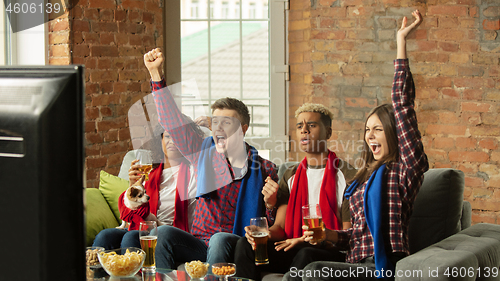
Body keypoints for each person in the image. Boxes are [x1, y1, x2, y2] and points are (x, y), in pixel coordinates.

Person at [284, 10, 429, 281]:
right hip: (355, 261)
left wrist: (401, 43)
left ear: (394, 132)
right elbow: (355, 237)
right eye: (366, 130)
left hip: (384, 263)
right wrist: (328, 235)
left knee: (314, 270)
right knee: (306, 262)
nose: (369, 136)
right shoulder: (364, 179)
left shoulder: (407, 168)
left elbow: (403, 106)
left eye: (377, 130)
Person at [144, 48, 279, 269]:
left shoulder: (265, 169)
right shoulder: (202, 153)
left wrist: (270, 204)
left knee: (219, 237)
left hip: (235, 242)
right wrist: (156, 75)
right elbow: (173, 122)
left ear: (243, 129)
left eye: (227, 122)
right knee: (164, 233)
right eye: (215, 122)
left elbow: (269, 226)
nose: (219, 128)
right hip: (198, 242)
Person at [234, 103, 357, 280]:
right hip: (294, 246)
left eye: (312, 125)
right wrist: (261, 232)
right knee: (244, 245)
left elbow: (348, 234)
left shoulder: (347, 175)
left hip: (329, 251)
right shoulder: (290, 175)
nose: (304, 130)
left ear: (328, 133)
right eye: (300, 126)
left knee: (306, 253)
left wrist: (310, 239)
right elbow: (281, 228)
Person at [92, 124, 200, 250]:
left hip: (170, 233)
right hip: (142, 228)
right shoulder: (149, 174)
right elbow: (131, 215)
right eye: (168, 136)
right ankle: (92, 269)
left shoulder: (194, 172)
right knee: (105, 236)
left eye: (177, 136)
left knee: (131, 237)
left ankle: (132, 269)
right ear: (160, 140)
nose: (172, 141)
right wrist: (132, 186)